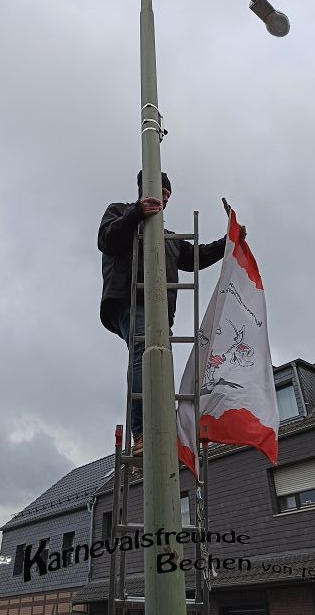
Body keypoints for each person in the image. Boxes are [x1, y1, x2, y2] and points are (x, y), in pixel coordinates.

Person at [98, 171, 245, 456]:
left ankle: (159, 424)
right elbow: (107, 239)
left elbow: (197, 256)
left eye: (168, 194)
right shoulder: (120, 212)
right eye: (161, 191)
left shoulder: (168, 239)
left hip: (160, 309)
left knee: (159, 360)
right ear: (145, 189)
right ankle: (142, 432)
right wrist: (136, 213)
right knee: (144, 351)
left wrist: (230, 241)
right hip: (129, 299)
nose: (164, 197)